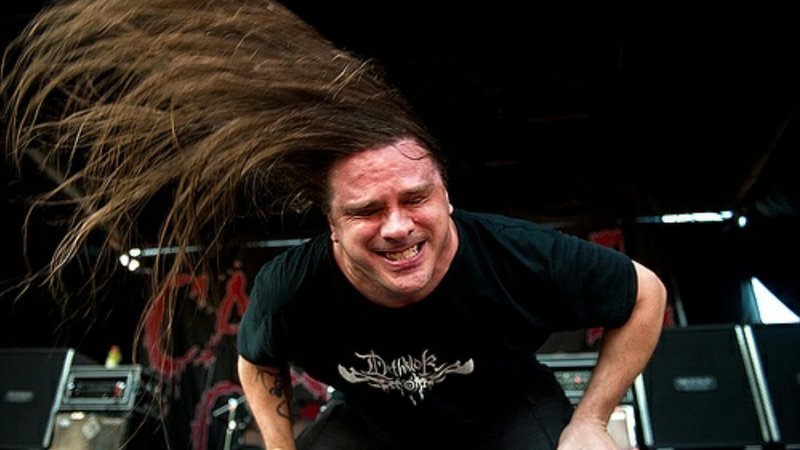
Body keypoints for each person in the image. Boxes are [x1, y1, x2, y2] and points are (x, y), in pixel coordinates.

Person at [2, 0, 667, 449]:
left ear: (445, 195)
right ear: (330, 224)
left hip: (509, 413)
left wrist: (591, 420)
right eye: (366, 211)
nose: (398, 227)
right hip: (373, 426)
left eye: (415, 199)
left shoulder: (519, 255)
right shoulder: (292, 287)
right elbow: (255, 361)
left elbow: (645, 295)